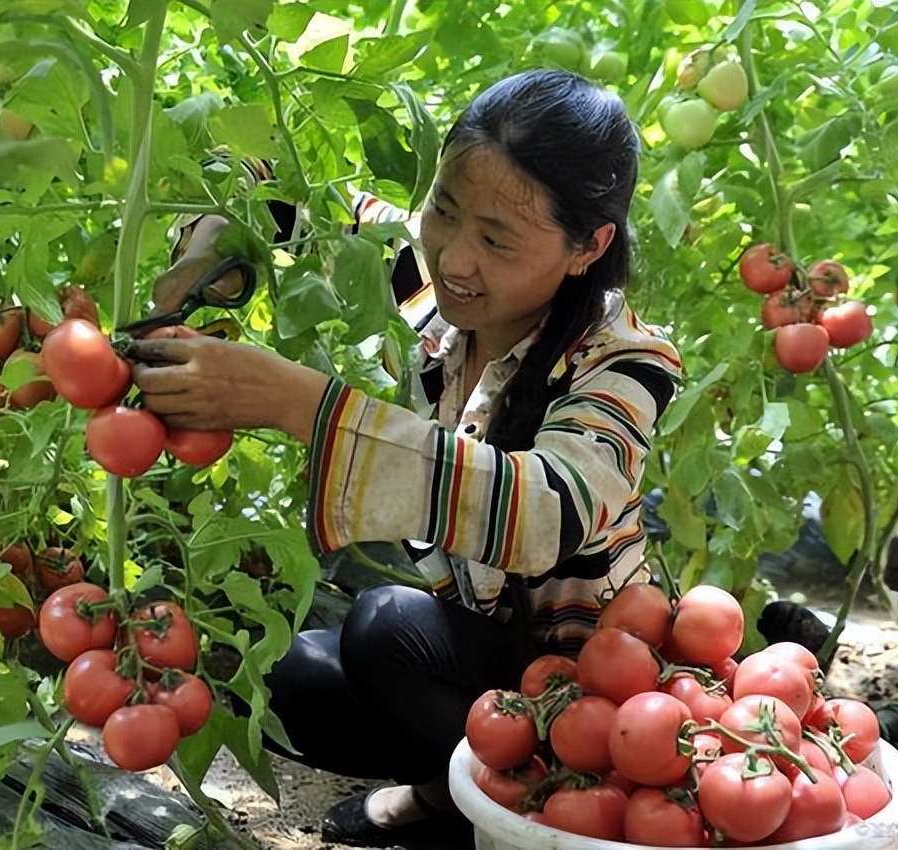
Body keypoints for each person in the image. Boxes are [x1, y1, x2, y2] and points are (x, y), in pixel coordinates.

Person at [127, 69, 683, 847]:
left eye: (497, 240)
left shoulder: (626, 362)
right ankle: (468, 789)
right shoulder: (430, 287)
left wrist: (299, 403)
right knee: (293, 680)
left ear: (587, 246)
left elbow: (547, 508)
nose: (454, 258)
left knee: (382, 626)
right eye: (443, 212)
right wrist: (204, 249)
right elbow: (284, 197)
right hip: (477, 661)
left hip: (589, 689)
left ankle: (525, 805)